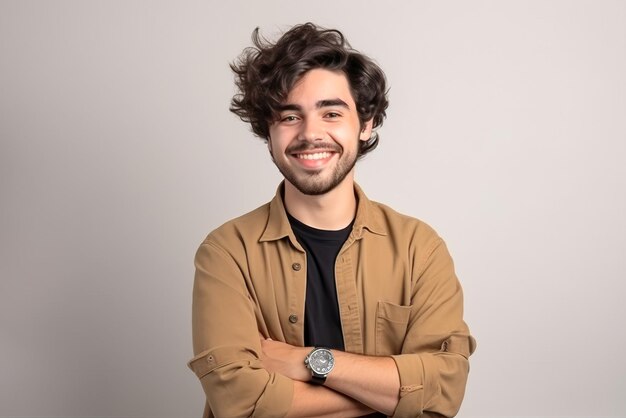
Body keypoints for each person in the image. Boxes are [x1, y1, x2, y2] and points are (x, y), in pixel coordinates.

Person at [188, 23, 476, 418]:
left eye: (331, 112)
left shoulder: (419, 248)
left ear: (365, 123)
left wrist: (307, 360)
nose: (311, 133)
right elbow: (241, 402)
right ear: (267, 131)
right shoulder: (226, 252)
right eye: (290, 116)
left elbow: (443, 392)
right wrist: (392, 393)